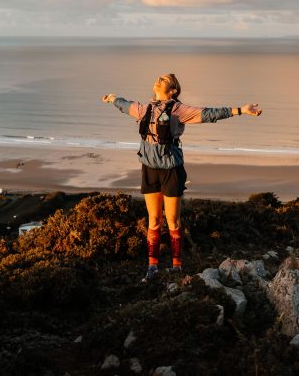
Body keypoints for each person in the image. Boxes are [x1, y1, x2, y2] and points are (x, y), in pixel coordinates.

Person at [102, 73, 263, 282]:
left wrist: (241, 110)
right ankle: (152, 267)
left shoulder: (179, 111)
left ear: (173, 90)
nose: (159, 80)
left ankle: (177, 266)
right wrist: (113, 99)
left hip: (171, 169)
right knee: (154, 219)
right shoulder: (145, 109)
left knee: (173, 221)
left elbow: (209, 114)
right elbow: (126, 105)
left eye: (164, 80)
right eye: (159, 78)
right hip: (149, 168)